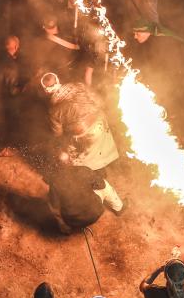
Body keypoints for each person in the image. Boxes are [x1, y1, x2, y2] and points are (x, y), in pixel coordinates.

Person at [40, 72, 124, 230]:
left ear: (46, 90)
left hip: (84, 134)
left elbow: (57, 134)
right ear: (59, 80)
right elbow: (98, 100)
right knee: (100, 150)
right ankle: (102, 182)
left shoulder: (54, 109)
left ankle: (87, 180)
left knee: (80, 158)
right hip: (100, 122)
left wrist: (63, 149)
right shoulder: (77, 86)